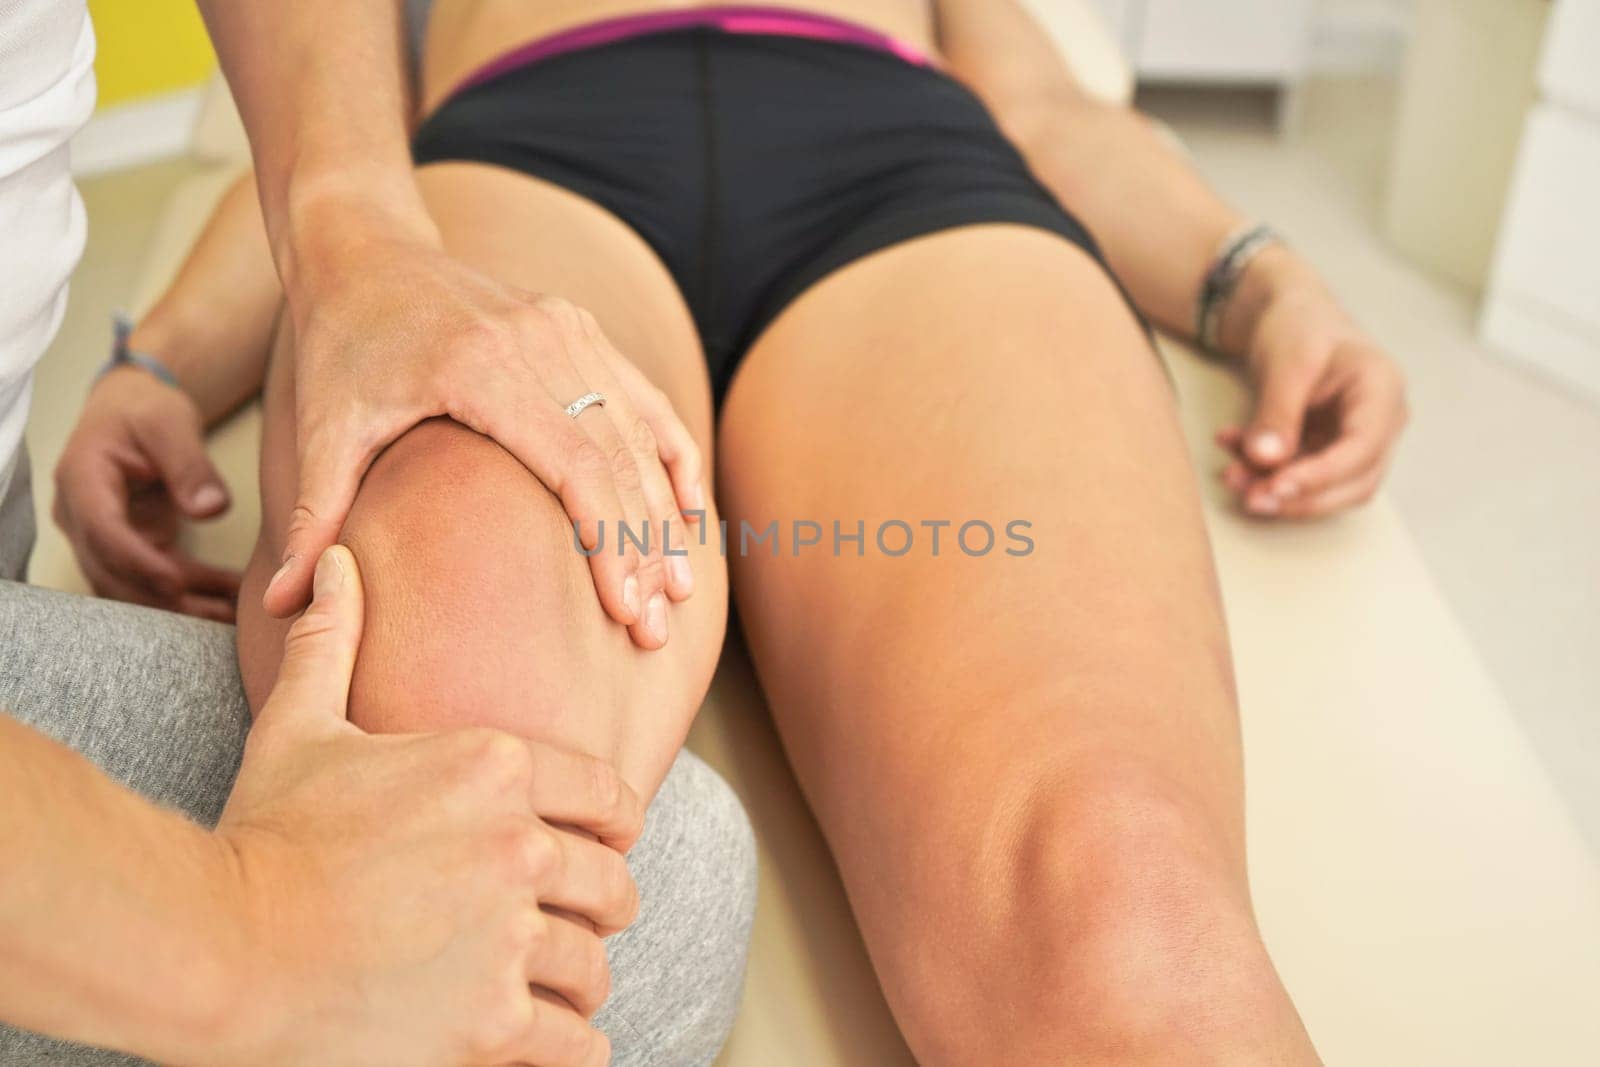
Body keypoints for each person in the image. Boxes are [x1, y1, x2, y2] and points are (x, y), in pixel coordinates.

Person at [58, 0, 1410, 1062]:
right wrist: (160, 361)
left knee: (1120, 907)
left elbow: (1051, 108)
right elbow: (337, 152)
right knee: (445, 684)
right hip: (524, 160)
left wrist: (1266, 288)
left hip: (910, 185)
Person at [0, 2, 755, 1064]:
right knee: (606, 880)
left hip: (903, 166)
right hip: (534, 137)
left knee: (586, 898)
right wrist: (249, 924)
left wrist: (355, 235)